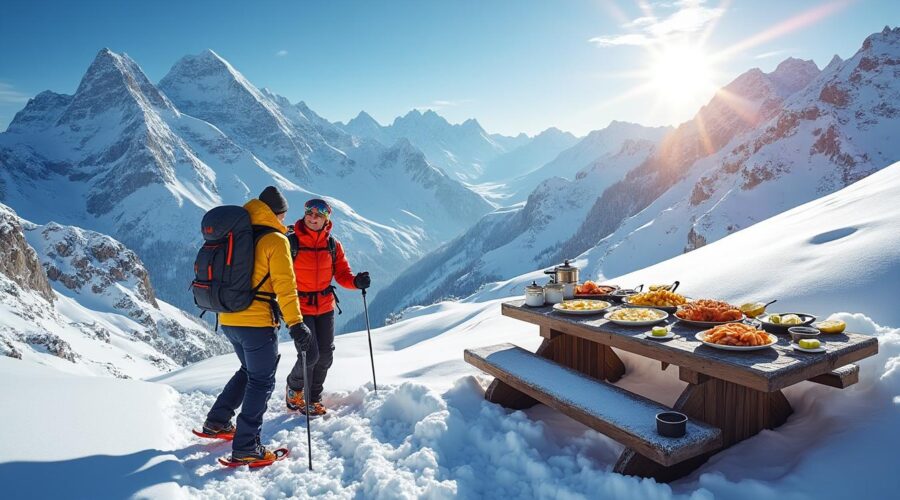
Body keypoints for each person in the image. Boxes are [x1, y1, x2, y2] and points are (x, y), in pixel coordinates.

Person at [199, 186, 312, 463]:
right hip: (257, 322)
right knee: (261, 380)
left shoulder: (237, 236)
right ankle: (247, 446)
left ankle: (217, 421)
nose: (285, 221)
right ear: (279, 213)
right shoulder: (275, 239)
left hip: (227, 318)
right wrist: (296, 324)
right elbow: (286, 287)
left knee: (249, 370)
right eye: (284, 216)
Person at [285, 197, 370, 416]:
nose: (313, 218)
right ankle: (294, 387)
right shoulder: (290, 243)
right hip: (299, 306)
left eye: (318, 215)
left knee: (325, 356)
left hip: (324, 306)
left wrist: (356, 282)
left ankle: (313, 399)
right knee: (309, 354)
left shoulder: (333, 245)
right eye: (309, 213)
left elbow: (342, 274)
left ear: (326, 219)